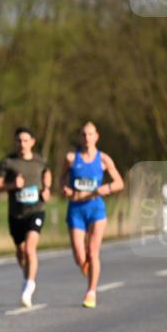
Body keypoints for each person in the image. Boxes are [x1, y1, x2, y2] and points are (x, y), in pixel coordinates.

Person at [60, 121, 124, 308]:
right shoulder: (72, 158)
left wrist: (107, 188)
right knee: (80, 256)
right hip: (76, 209)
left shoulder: (104, 159)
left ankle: (91, 292)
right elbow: (61, 179)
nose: (87, 138)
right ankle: (88, 271)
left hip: (96, 208)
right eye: (83, 134)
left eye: (90, 134)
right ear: (80, 137)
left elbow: (120, 182)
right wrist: (65, 190)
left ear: (96, 136)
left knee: (93, 251)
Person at [0, 127, 52, 308]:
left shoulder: (40, 160)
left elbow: (47, 173)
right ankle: (27, 278)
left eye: (26, 140)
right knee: (21, 252)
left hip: (36, 210)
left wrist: (47, 189)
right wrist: (11, 185)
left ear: (32, 142)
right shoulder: (8, 162)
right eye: (19, 140)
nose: (22, 144)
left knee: (29, 249)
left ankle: (29, 287)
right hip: (16, 214)